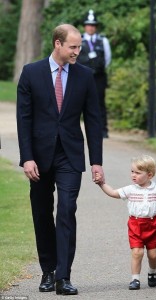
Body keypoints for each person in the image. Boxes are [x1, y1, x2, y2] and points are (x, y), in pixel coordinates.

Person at [16, 24, 104, 295]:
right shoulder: (31, 73)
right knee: (42, 213)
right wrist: (27, 158)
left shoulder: (85, 76)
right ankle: (47, 271)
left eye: (79, 47)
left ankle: (63, 276)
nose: (78, 51)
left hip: (70, 154)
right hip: (39, 157)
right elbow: (24, 119)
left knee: (66, 210)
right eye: (73, 47)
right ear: (58, 44)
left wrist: (96, 161)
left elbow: (93, 120)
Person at [95, 154, 156, 290]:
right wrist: (102, 183)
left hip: (153, 224)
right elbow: (113, 193)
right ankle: (135, 279)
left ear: (149, 175)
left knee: (153, 254)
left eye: (137, 173)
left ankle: (152, 272)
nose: (133, 175)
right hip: (135, 225)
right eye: (132, 172)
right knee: (137, 252)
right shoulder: (130, 189)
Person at [77, 9, 111, 138]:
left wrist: (98, 69)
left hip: (98, 77)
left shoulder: (103, 41)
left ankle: (103, 130)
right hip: (81, 77)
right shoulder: (79, 40)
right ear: (85, 26)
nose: (90, 28)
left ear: (96, 27)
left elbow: (107, 59)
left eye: (93, 25)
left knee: (99, 104)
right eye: (88, 25)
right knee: (78, 103)